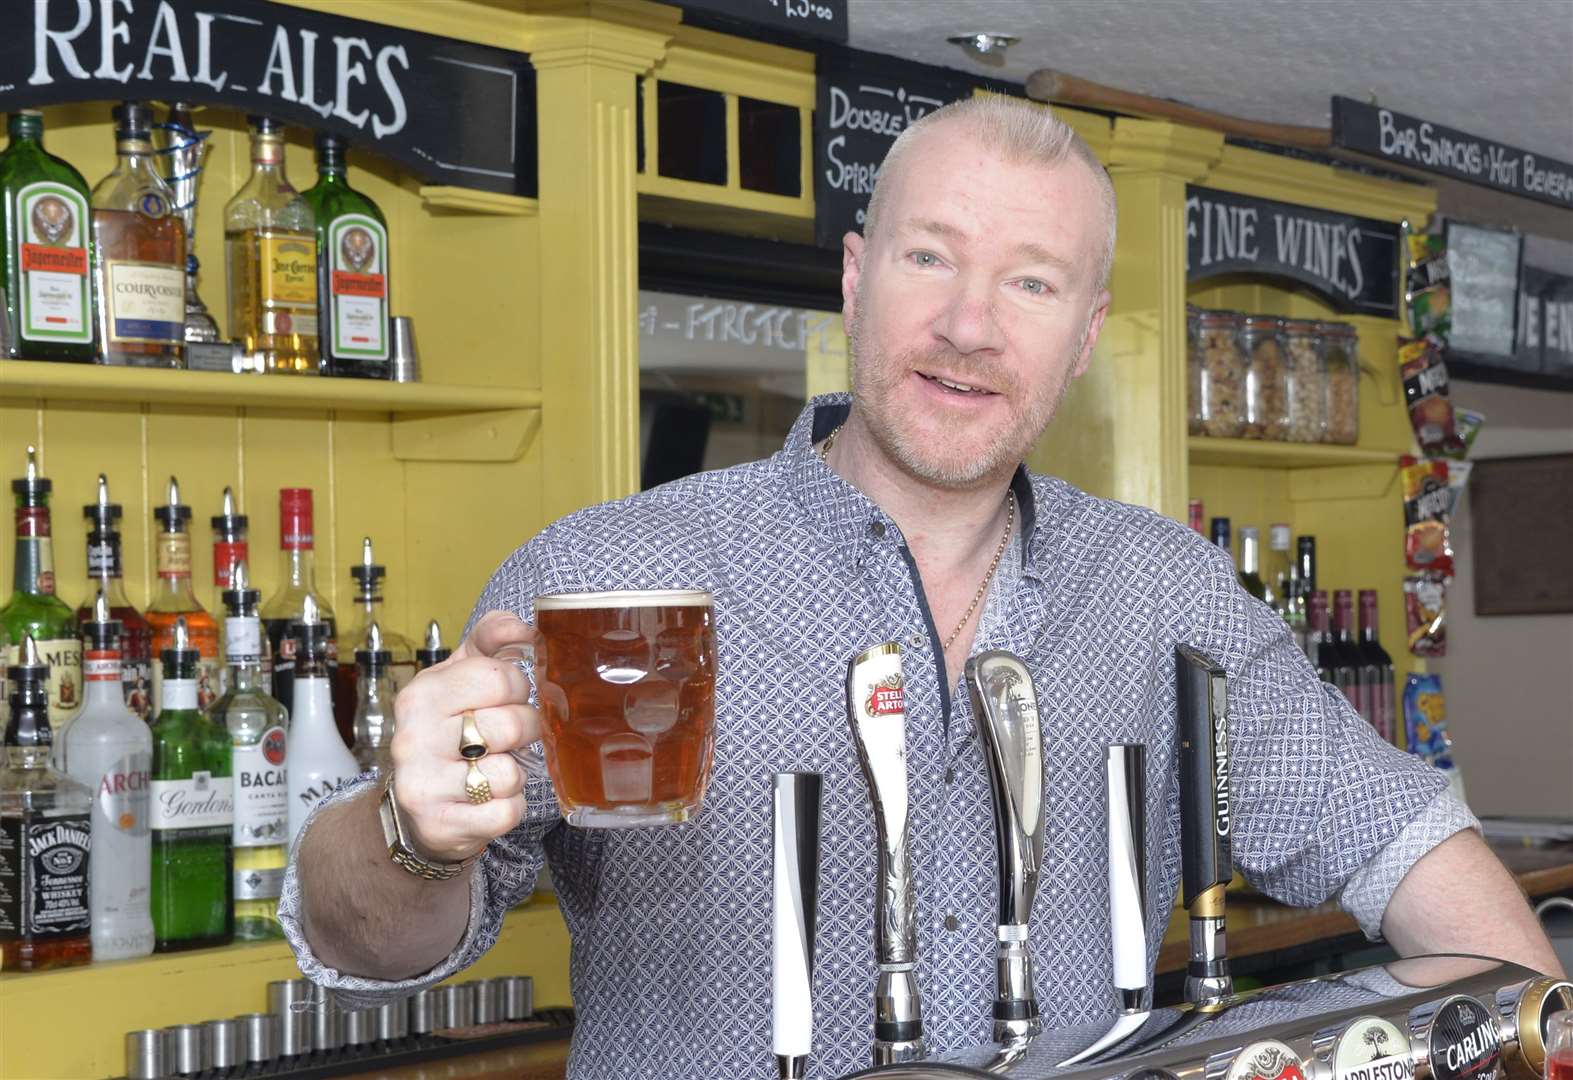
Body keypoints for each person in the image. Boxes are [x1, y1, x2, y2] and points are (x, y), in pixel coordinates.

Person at [280, 95, 1560, 1079]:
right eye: (928, 259)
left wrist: (1526, 1022)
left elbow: (1403, 837)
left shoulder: (1163, 590)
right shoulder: (611, 578)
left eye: (1030, 283)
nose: (968, 325)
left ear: (1082, 336)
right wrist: (405, 827)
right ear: (853, 276)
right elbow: (364, 945)